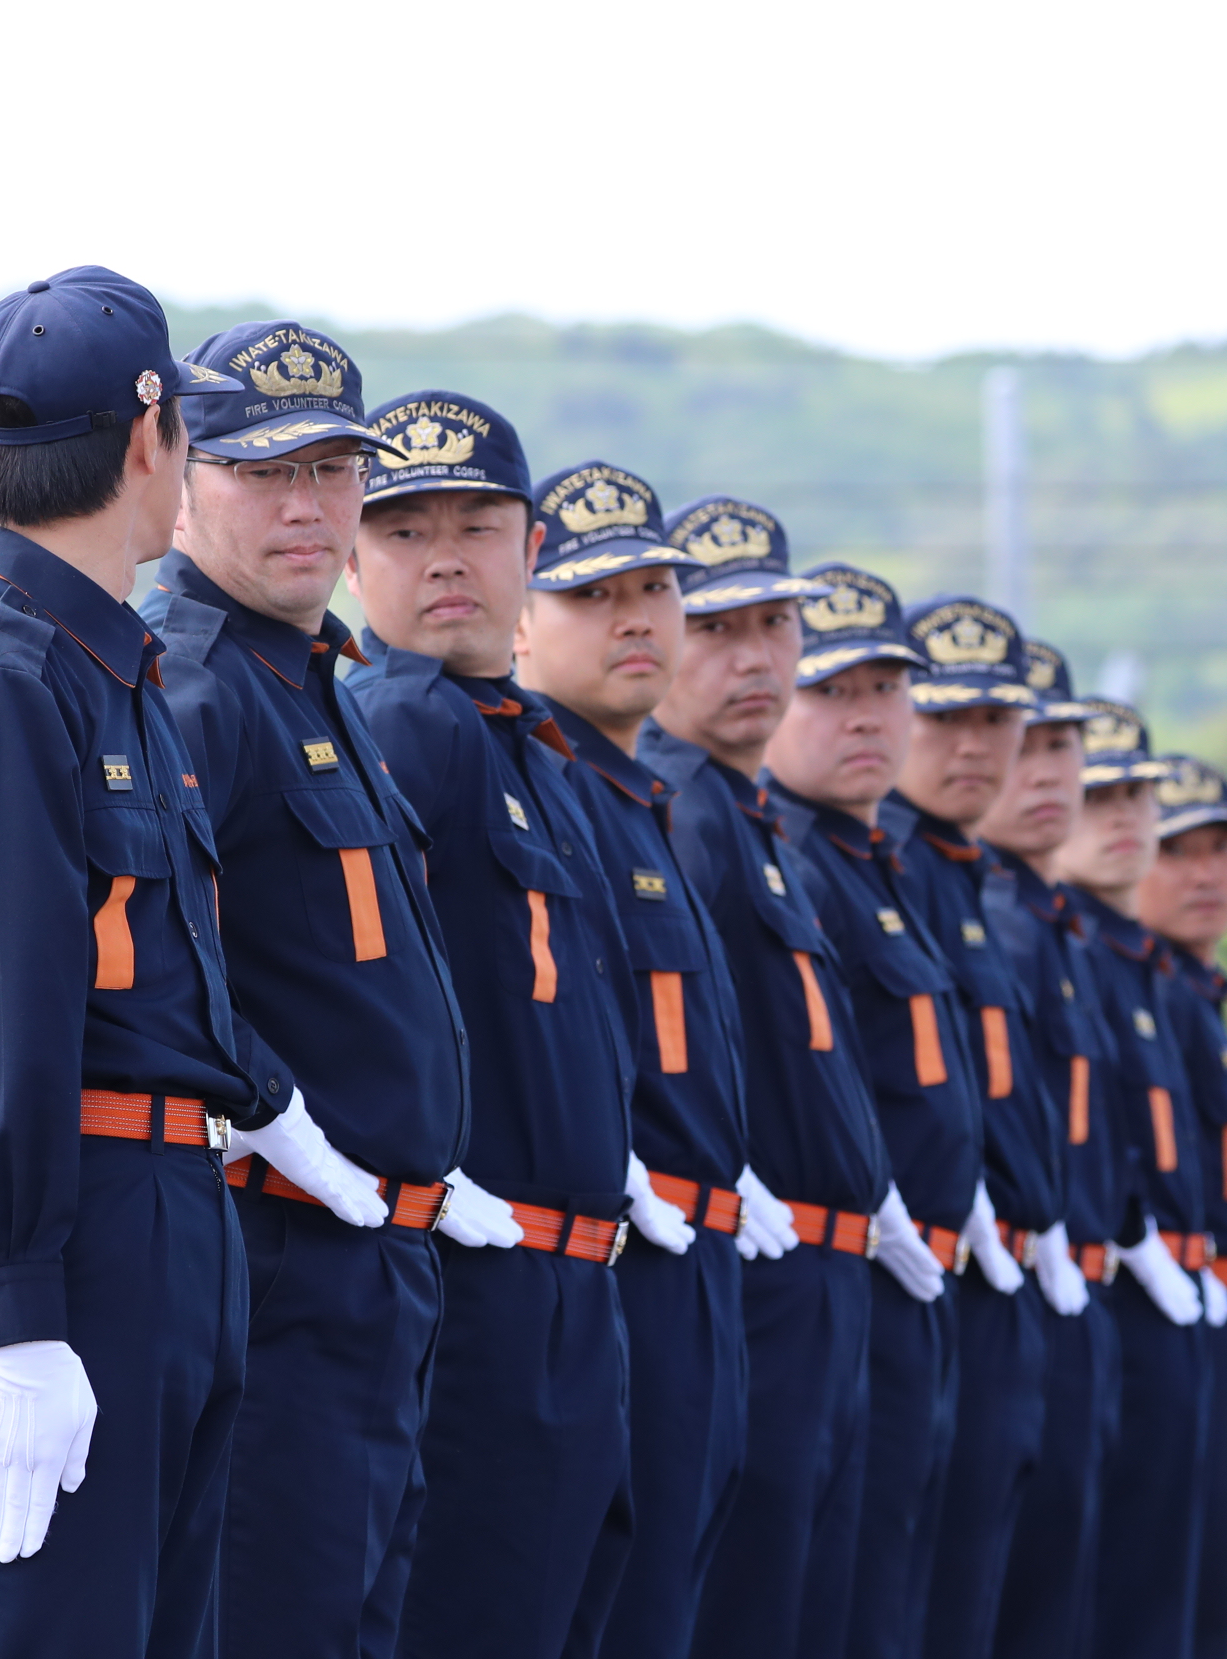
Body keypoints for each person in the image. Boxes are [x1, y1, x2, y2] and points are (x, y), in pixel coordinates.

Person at [0, 267, 322, 1659]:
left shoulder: (102, 666)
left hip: (156, 1216)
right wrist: (18, 1314)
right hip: (64, 1232)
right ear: (148, 437)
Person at [139, 320, 470, 1658]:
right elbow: (157, 973)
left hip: (372, 1264)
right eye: (264, 472)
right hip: (272, 1256)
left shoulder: (307, 678)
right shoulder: (195, 685)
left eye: (333, 472)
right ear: (180, 479)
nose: (307, 506)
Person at [342, 391, 639, 1659]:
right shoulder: (405, 723)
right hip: (477, 1282)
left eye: (478, 524)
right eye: (405, 530)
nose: (447, 556)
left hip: (574, 1284)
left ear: (531, 549)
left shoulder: (527, 745)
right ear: (354, 556)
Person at [640, 500, 889, 1659]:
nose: (753, 660)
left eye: (774, 628)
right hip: (749, 1266)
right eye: (719, 627)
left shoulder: (746, 821)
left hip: (817, 1275)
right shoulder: (683, 812)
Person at [513, 462, 748, 1659]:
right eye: (595, 596)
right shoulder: (541, 787)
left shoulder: (639, 796)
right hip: (610, 1260)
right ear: (521, 615)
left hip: (697, 1262)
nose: (637, 620)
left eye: (655, 591)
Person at [762, 564, 981, 1659]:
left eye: (886, 691)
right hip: (827, 1274)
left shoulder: (874, 860)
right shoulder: (786, 851)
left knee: (897, 1600)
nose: (866, 721)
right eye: (833, 691)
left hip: (908, 1284)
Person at [888, 597, 1058, 1659]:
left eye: (997, 723)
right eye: (945, 719)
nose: (973, 747)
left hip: (992, 1281)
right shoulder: (892, 862)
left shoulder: (960, 877)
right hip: (903, 1272)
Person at [1056, 701, 1227, 1659]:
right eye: (1101, 794)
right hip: (1103, 1294)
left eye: (1137, 796)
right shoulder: (1069, 944)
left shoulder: (1148, 968)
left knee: (1178, 1591)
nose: (1126, 818)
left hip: (1180, 1302)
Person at [981, 640, 1130, 1659]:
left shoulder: (1056, 926)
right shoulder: (994, 914)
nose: (1042, 774)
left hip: (1078, 1291)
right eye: (1018, 744)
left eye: (1061, 746)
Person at [1139, 755, 1227, 1659]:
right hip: (1171, 1304)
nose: (1204, 875)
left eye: (1222, 849)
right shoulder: (1142, 991)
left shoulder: (1197, 995)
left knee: (1208, 1585)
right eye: (1176, 851)